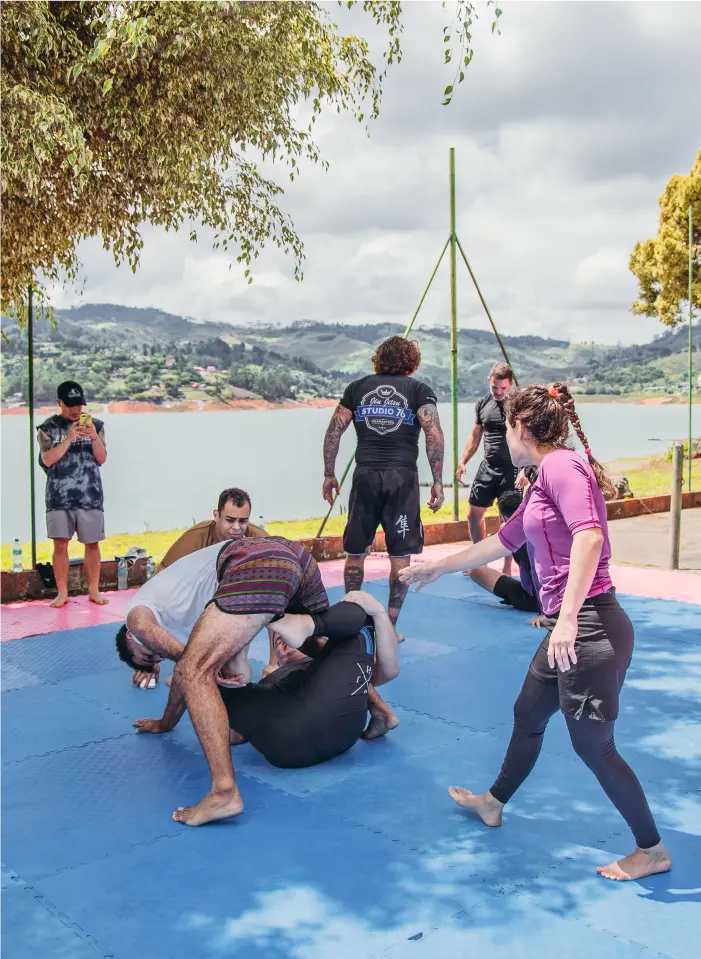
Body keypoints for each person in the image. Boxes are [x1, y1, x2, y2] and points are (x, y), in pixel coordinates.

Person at [400, 382, 671, 883]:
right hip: (579, 628)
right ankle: (493, 801)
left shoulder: (560, 466)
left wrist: (565, 618)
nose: (503, 436)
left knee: (594, 747)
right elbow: (499, 543)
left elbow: (590, 537)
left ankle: (651, 849)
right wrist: (436, 568)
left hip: (589, 628)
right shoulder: (543, 480)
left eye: (506, 427)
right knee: (528, 713)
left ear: (524, 429)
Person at [120, 535, 389, 825]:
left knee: (192, 670)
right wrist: (166, 723)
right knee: (313, 643)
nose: (157, 657)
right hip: (294, 556)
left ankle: (223, 792)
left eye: (147, 657)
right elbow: (185, 672)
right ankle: (380, 708)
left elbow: (178, 660)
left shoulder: (136, 615)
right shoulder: (179, 622)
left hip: (253, 559)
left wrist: (198, 666)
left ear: (129, 638)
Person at [132, 591, 400, 771]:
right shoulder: (282, 684)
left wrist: (167, 724)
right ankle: (310, 625)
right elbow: (388, 673)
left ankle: (305, 628)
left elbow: (231, 734)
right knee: (360, 606)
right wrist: (376, 613)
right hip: (344, 733)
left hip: (288, 750)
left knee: (195, 672)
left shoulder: (317, 669)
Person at [322, 335, 444, 631]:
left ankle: (352, 621)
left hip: (365, 477)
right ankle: (389, 626)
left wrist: (329, 473)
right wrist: (437, 481)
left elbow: (333, 433)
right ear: (412, 363)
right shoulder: (418, 390)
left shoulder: (357, 389)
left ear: (378, 359)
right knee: (400, 555)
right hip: (401, 478)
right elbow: (434, 435)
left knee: (355, 552)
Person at [37, 380, 108, 608]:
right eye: (70, 405)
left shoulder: (95, 424)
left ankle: (94, 591)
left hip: (90, 495)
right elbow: (47, 459)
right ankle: (62, 593)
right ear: (59, 403)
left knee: (93, 544)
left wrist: (93, 437)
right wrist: (69, 438)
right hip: (59, 497)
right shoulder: (47, 428)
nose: (76, 410)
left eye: (79, 404)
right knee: (60, 545)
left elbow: (102, 458)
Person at [456, 362, 518, 565]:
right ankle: (479, 562)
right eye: (495, 387)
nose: (499, 392)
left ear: (511, 384)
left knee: (508, 521)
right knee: (473, 516)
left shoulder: (519, 405)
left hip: (513, 469)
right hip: (488, 467)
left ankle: (507, 568)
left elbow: (530, 439)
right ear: (489, 382)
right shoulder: (482, 404)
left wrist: (527, 468)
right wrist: (463, 461)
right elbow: (475, 436)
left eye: (503, 388)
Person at [156, 487, 267, 572]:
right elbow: (161, 575)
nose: (237, 527)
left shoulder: (260, 539)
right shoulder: (196, 537)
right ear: (216, 515)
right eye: (230, 520)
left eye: (243, 521)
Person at [468, 490, 540, 615]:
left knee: (476, 571)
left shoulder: (519, 534)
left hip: (537, 599)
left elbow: (536, 570)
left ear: (503, 516)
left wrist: (543, 611)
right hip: (554, 594)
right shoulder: (536, 525)